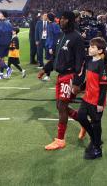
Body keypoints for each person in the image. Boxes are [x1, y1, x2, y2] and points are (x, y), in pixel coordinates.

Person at [40, 11, 86, 151]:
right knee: (60, 107)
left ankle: (60, 140)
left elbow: (81, 62)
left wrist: (78, 83)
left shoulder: (77, 38)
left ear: (71, 20)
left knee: (61, 106)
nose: (61, 21)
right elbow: (56, 58)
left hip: (70, 77)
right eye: (61, 18)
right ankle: (84, 123)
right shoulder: (61, 36)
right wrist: (46, 69)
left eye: (65, 19)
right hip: (60, 76)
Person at [76, 37, 107, 159]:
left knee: (96, 123)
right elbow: (88, 79)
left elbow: (104, 87)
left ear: (100, 51)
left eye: (93, 47)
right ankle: (95, 140)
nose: (90, 48)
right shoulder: (90, 62)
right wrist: (80, 88)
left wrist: (100, 103)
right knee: (80, 116)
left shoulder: (102, 66)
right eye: (90, 46)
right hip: (87, 97)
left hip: (96, 101)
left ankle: (97, 150)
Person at [0, 11, 14, 79]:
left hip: (1, 44)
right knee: (2, 60)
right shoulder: (9, 23)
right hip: (7, 44)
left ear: (3, 15)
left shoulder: (1, 24)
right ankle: (1, 75)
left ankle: (8, 69)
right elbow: (11, 34)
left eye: (0, 14)